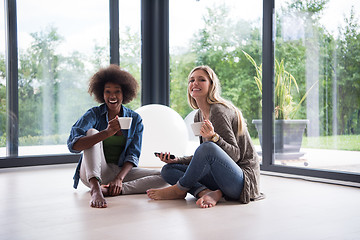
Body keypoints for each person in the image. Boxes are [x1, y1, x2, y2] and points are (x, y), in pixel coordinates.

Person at [147, 65, 264, 208]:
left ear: (211, 85)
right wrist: (178, 160)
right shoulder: (199, 115)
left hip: (243, 181)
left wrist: (214, 137)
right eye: (191, 80)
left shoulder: (219, 111)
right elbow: (204, 157)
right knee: (168, 170)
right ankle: (207, 192)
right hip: (221, 178)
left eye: (201, 80)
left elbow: (234, 155)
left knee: (207, 147)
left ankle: (179, 189)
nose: (194, 83)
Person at [67, 65, 167, 208]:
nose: (112, 96)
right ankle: (96, 189)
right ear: (102, 94)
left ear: (124, 94)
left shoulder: (135, 119)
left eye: (117, 92)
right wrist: (106, 133)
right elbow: (73, 145)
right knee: (92, 133)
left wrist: (119, 178)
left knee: (164, 176)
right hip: (93, 173)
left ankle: (112, 190)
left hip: (119, 171)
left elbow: (133, 154)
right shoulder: (93, 114)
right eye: (108, 92)